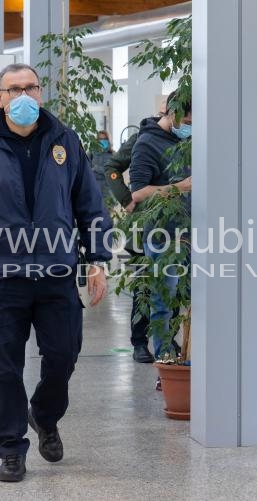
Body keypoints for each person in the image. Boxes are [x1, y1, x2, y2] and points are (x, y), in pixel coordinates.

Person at [0, 63, 112, 483]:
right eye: (13, 89)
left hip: (56, 276)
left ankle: (45, 417)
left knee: (64, 357)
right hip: (3, 279)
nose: (23, 96)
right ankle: (11, 449)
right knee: (4, 367)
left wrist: (96, 260)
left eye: (30, 87)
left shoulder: (65, 142)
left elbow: (90, 205)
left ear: (41, 92)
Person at [129, 91, 192, 360]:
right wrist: (180, 187)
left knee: (188, 299)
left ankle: (185, 351)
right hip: (162, 234)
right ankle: (164, 355)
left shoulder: (193, 140)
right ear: (172, 112)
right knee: (162, 300)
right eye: (187, 119)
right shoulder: (146, 143)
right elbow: (138, 192)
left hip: (193, 232)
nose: (190, 125)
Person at [103, 126, 156, 363]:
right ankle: (140, 342)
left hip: (179, 226)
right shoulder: (142, 138)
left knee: (177, 287)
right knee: (144, 286)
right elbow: (111, 167)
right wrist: (125, 199)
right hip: (143, 226)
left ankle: (168, 339)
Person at [89, 130, 114, 204]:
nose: (102, 141)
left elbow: (111, 172)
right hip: (93, 189)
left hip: (107, 190)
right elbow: (86, 169)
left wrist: (96, 168)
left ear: (108, 140)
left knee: (107, 213)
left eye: (104, 139)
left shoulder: (112, 155)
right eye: (100, 139)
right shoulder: (91, 153)